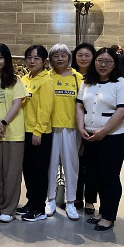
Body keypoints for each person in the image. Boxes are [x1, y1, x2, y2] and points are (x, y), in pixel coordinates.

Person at [76, 47, 124, 231]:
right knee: (95, 175)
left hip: (113, 138)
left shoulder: (121, 83)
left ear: (115, 64)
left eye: (108, 61)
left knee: (110, 177)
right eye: (100, 60)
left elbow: (122, 110)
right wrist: (80, 127)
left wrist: (103, 131)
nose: (103, 65)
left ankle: (109, 216)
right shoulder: (87, 82)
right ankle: (102, 211)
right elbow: (79, 105)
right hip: (89, 136)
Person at [0, 43, 27, 223]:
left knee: (11, 173)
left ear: (7, 60)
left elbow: (17, 104)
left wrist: (2, 123)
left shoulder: (16, 80)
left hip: (12, 133)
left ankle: (9, 208)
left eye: (0, 57)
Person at [38, 43, 83, 221]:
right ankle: (50, 199)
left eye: (63, 55)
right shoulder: (46, 76)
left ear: (69, 57)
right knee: (50, 165)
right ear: (50, 58)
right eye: (55, 55)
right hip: (50, 127)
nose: (60, 58)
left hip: (71, 128)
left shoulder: (77, 77)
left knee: (70, 166)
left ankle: (70, 202)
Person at [18, 45, 52, 222]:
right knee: (28, 170)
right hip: (23, 130)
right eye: (29, 58)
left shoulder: (46, 81)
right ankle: (31, 203)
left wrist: (38, 131)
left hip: (39, 133)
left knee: (38, 171)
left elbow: (45, 109)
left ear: (44, 61)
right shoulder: (24, 78)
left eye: (36, 58)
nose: (32, 61)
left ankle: (39, 208)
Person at [72, 42, 97, 215]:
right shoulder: (70, 75)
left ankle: (89, 200)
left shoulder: (98, 77)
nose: (83, 58)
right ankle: (75, 196)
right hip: (71, 125)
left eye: (87, 55)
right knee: (75, 163)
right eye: (80, 55)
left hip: (91, 127)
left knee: (90, 164)